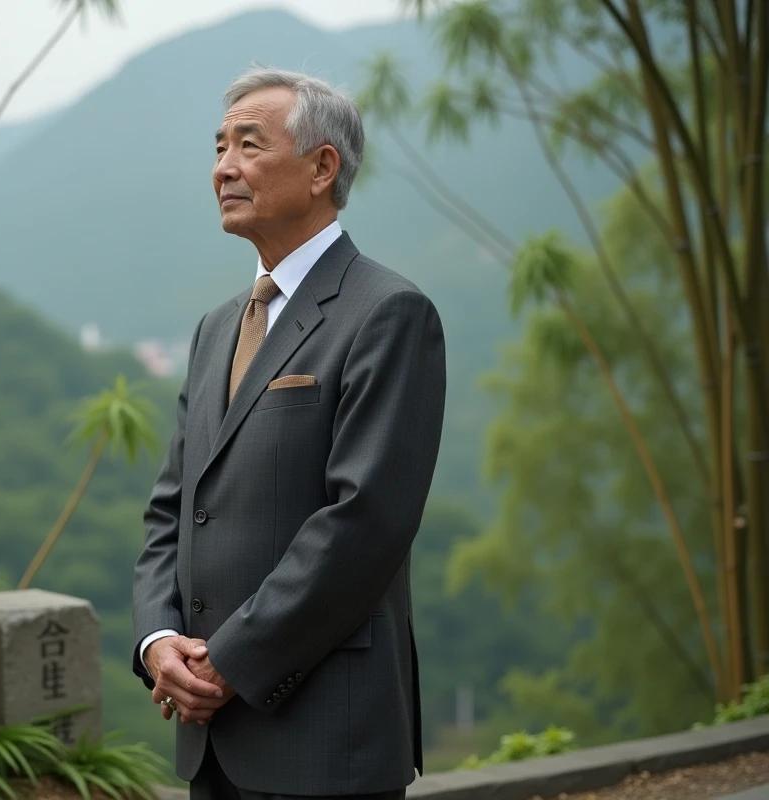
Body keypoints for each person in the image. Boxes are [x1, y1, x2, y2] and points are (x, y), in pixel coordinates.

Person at [130, 66, 447, 800]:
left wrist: (230, 661)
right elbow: (172, 509)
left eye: (248, 144)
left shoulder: (387, 312)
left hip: (325, 738)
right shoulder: (217, 329)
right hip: (210, 738)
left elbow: (365, 522)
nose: (223, 169)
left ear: (322, 168)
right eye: (218, 148)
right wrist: (158, 642)